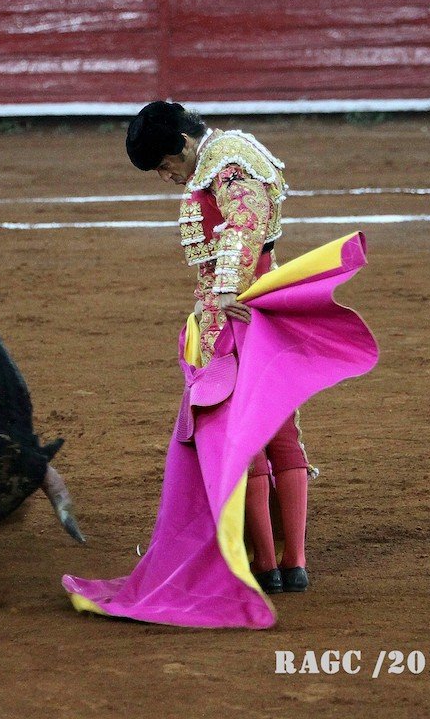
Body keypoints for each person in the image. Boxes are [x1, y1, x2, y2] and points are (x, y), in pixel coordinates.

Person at [125, 101, 314, 594]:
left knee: (242, 433)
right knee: (277, 429)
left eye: (165, 164)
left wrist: (227, 288)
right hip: (262, 305)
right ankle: (290, 564)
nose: (167, 176)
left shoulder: (227, 161)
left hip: (238, 314)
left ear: (184, 144)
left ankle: (269, 564)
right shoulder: (221, 159)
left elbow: (245, 222)